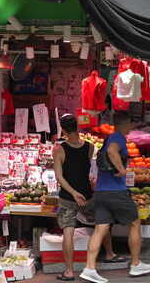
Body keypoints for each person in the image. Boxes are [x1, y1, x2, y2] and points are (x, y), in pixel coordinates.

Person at [80, 111, 150, 283]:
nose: (131, 127)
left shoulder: (108, 138)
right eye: (130, 123)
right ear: (125, 123)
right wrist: (121, 170)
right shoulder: (118, 138)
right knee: (135, 222)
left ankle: (89, 268)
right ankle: (136, 264)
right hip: (115, 191)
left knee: (100, 229)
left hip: (101, 192)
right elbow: (113, 152)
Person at [54, 114, 124, 281]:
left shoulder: (59, 149)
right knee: (102, 223)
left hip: (68, 197)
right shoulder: (90, 147)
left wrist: (73, 193)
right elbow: (84, 170)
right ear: (77, 127)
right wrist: (80, 191)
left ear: (63, 130)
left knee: (68, 232)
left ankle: (69, 272)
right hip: (87, 195)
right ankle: (109, 253)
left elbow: (59, 177)